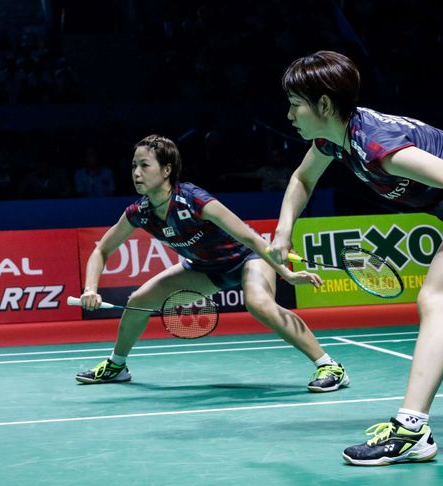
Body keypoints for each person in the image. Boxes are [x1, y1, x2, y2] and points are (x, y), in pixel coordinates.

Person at [268, 51, 443, 466]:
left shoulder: (377, 143)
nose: (288, 115)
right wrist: (284, 229)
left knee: (435, 299)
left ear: (324, 105)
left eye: (294, 104)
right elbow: (302, 179)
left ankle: (412, 429)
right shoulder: (332, 138)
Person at [75, 134, 349, 393]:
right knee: (139, 300)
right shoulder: (140, 213)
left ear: (167, 170)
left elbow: (248, 237)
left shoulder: (193, 199)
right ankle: (116, 366)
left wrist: (285, 274)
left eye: (145, 165)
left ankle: (330, 366)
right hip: (205, 268)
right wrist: (90, 289)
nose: (136, 172)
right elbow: (102, 250)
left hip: (246, 259)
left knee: (259, 303)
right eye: (134, 165)